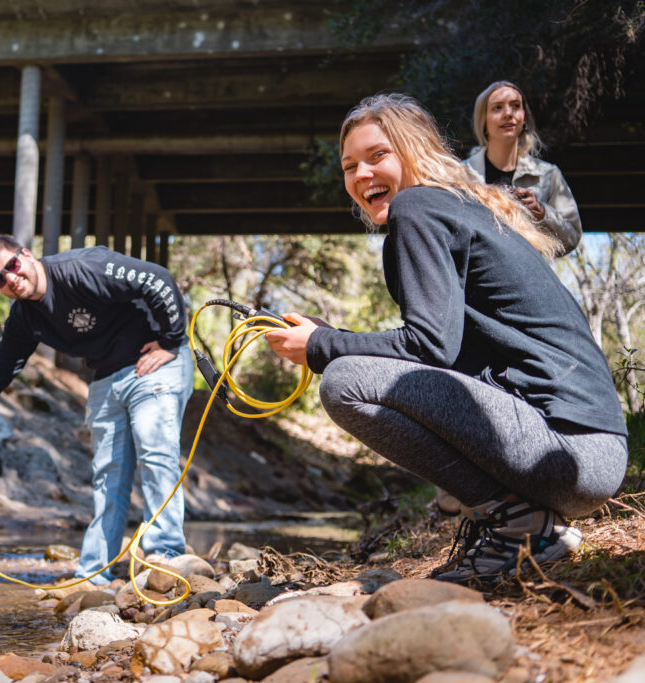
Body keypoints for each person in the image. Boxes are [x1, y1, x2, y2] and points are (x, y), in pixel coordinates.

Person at [265, 93, 628, 583]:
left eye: (378, 156)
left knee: (344, 381)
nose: (361, 175)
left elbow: (428, 346)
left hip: (567, 451)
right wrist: (328, 336)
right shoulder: (456, 206)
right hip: (586, 455)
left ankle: (521, 526)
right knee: (349, 367)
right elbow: (446, 354)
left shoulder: (418, 207)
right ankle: (519, 522)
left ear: (414, 152)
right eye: (349, 166)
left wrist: (321, 346)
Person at [0, 235, 195, 585]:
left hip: (156, 363)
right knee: (108, 475)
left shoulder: (85, 267)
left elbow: (158, 279)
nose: (11, 279)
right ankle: (95, 574)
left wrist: (171, 340)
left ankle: (165, 554)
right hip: (106, 376)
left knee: (156, 452)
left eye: (12, 266)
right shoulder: (25, 318)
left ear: (26, 255)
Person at [463, 80, 582, 255]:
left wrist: (542, 213)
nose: (508, 114)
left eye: (515, 106)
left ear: (524, 118)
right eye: (497, 108)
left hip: (531, 280)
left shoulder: (549, 175)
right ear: (484, 120)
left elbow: (571, 238)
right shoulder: (460, 176)